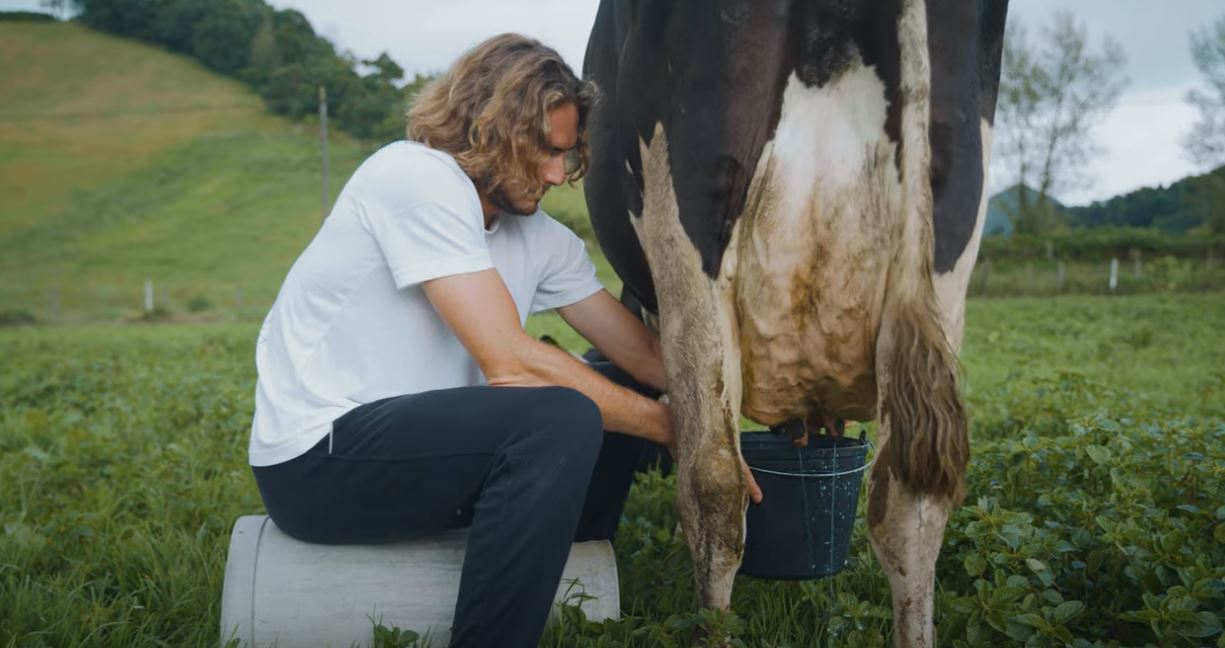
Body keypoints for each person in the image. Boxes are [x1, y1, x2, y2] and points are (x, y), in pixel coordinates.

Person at [248, 33, 759, 648]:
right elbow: (509, 363)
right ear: (487, 126)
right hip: (319, 465)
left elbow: (646, 357)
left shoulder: (538, 237)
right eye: (543, 150)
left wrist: (762, 403)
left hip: (421, 458)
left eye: (565, 154)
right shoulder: (413, 176)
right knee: (560, 415)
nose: (555, 174)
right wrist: (670, 426)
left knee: (612, 384)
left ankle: (573, 572)